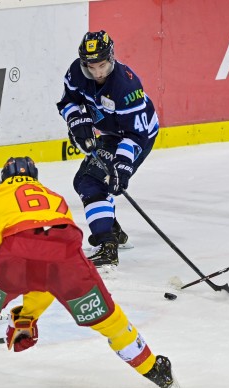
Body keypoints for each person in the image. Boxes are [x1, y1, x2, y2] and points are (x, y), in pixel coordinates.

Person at [0, 157, 179, 388]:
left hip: (14, 255)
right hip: (66, 256)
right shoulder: (54, 198)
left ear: (6, 178)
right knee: (110, 320)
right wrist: (26, 318)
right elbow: (46, 270)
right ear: (34, 179)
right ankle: (154, 370)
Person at [56, 30, 159, 268]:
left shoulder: (126, 85)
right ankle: (113, 231)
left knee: (93, 183)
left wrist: (122, 168)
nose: (97, 72)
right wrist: (77, 121)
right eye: (91, 66)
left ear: (110, 58)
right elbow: (68, 102)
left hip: (136, 136)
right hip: (112, 133)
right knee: (84, 181)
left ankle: (107, 245)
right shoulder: (75, 72)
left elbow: (136, 134)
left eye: (101, 65)